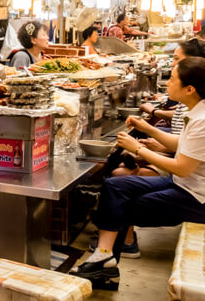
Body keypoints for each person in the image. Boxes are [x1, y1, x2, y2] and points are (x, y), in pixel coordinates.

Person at [74, 57, 205, 289]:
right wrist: (147, 128)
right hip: (183, 185)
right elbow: (181, 145)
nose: (167, 84)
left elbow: (181, 168)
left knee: (125, 207)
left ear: (190, 89)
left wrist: (138, 149)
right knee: (116, 187)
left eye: (172, 80)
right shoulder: (196, 110)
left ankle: (105, 267)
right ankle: (104, 259)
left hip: (196, 198)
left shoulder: (202, 120)